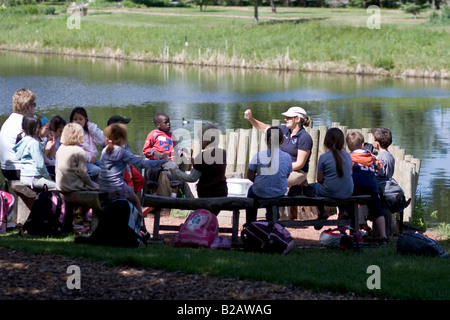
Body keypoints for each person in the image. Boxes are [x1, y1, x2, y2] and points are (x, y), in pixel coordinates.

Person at [244, 106, 313, 219]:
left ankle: (266, 217)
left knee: (270, 181)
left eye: (289, 117)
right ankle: (273, 217)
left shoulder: (305, 137)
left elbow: (300, 163)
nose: (285, 119)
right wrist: (251, 119)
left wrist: (278, 167)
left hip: (297, 171)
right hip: (282, 168)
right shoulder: (283, 130)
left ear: (297, 119)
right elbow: (266, 129)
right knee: (271, 180)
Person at [99, 123, 166, 212]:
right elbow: (142, 164)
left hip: (102, 185)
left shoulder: (105, 150)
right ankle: (139, 220)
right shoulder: (122, 152)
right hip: (117, 187)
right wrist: (162, 161)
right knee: (135, 200)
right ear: (123, 138)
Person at [167, 124, 228, 214]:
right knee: (211, 216)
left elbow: (191, 178)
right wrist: (195, 161)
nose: (199, 142)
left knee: (206, 217)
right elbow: (211, 167)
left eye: (200, 140)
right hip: (221, 193)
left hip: (207, 196)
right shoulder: (223, 153)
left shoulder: (202, 157)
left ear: (206, 141)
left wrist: (174, 170)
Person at [346, 131, 388, 244]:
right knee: (378, 211)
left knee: (351, 205)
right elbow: (379, 166)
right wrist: (374, 159)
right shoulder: (370, 156)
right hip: (371, 187)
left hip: (355, 186)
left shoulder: (349, 157)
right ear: (363, 144)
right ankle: (383, 237)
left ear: (348, 146)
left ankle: (354, 233)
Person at [245, 127, 293, 223]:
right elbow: (286, 176)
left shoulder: (259, 155)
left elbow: (249, 175)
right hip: (279, 192)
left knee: (251, 191)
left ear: (266, 140)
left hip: (259, 192)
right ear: (282, 140)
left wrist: (260, 181)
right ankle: (273, 220)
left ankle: (250, 222)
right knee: (274, 194)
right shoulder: (287, 157)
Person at [311, 128, 353, 229]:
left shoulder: (323, 157)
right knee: (339, 186)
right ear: (342, 142)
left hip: (330, 191)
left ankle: (322, 211)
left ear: (326, 142)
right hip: (348, 192)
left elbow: (319, 179)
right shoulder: (348, 156)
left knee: (313, 187)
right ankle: (342, 210)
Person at [142, 112, 185, 197]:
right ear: (158, 125)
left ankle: (173, 196)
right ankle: (154, 196)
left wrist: (183, 155)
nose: (169, 124)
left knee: (174, 171)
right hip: (155, 161)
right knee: (152, 173)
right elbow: (145, 150)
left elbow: (176, 149)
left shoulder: (171, 135)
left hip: (167, 160)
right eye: (166, 122)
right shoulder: (153, 134)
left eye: (169, 122)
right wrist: (154, 152)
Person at [0, 88, 37, 181]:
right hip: (18, 169)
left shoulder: (10, 120)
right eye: (34, 105)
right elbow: (33, 150)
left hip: (6, 169)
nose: (35, 108)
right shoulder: (23, 123)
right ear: (29, 106)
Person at [13, 114, 56, 190]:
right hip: (33, 178)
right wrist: (47, 175)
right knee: (58, 187)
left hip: (24, 176)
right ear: (37, 129)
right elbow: (40, 164)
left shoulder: (24, 140)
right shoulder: (33, 143)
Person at [106, 115, 145, 196]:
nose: (126, 126)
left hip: (127, 166)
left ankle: (136, 199)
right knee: (129, 183)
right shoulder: (109, 142)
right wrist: (128, 170)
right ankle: (129, 202)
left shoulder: (124, 140)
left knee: (140, 179)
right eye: (124, 124)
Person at [55, 123, 99, 193]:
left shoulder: (60, 148)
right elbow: (84, 174)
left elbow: (57, 169)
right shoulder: (79, 151)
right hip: (74, 187)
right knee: (98, 186)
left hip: (61, 186)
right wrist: (92, 185)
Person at [70, 107, 104, 180]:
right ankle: (89, 185)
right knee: (96, 170)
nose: (78, 121)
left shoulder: (89, 131)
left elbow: (101, 140)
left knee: (107, 167)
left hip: (93, 161)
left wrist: (90, 126)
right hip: (80, 162)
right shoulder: (71, 134)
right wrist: (89, 158)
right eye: (75, 119)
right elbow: (75, 150)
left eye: (81, 119)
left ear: (85, 119)